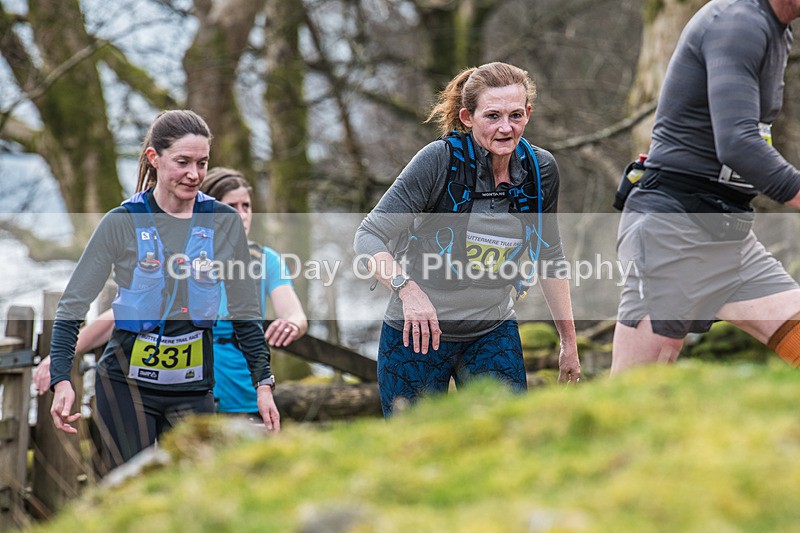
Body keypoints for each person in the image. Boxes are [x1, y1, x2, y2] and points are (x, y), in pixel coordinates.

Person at [49, 110, 280, 472]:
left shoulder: (224, 222)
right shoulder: (121, 223)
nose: (194, 174)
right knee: (128, 498)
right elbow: (72, 305)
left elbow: (245, 312)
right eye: (183, 162)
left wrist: (262, 383)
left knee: (195, 494)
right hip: (125, 388)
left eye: (202, 163)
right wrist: (62, 378)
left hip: (194, 388)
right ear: (155, 158)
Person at [354, 62, 581, 417]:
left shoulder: (540, 169)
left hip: (492, 329)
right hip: (417, 333)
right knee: (416, 447)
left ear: (529, 113)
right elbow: (369, 235)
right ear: (467, 116)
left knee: (509, 439)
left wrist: (569, 342)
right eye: (492, 116)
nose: (506, 128)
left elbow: (549, 255)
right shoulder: (438, 161)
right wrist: (407, 290)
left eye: (516, 115)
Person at [612, 0, 800, 373]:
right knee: (634, 394)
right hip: (673, 229)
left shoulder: (779, 28)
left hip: (730, 237)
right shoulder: (738, 21)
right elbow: (737, 143)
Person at [199, 167, 308, 416]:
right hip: (191, 384)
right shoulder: (186, 256)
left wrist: (292, 324)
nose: (242, 215)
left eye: (246, 206)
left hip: (246, 386)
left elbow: (296, 315)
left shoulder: (264, 259)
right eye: (231, 206)